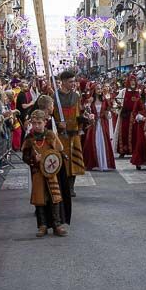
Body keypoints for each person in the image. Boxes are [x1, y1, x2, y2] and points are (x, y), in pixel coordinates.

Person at [20, 109, 68, 237]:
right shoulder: (29, 138)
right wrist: (33, 159)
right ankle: (42, 225)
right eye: (34, 123)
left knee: (55, 197)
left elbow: (59, 151)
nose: (36, 126)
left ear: (45, 122)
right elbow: (24, 157)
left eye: (39, 123)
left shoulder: (50, 135)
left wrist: (55, 157)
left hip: (51, 173)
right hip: (37, 172)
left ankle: (57, 225)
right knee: (39, 198)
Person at [53, 69, 85, 204]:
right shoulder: (54, 97)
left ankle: (71, 187)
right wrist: (57, 124)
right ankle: (62, 187)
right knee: (62, 162)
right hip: (61, 135)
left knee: (74, 162)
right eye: (71, 82)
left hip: (74, 133)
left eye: (74, 81)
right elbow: (49, 116)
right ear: (64, 82)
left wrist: (86, 119)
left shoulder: (76, 96)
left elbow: (79, 113)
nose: (73, 84)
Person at [84, 86, 116, 171]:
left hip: (102, 123)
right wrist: (89, 110)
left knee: (104, 142)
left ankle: (104, 163)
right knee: (92, 141)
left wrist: (107, 113)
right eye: (98, 89)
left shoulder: (105, 101)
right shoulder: (90, 101)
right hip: (94, 124)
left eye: (100, 89)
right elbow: (86, 112)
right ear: (94, 90)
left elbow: (108, 112)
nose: (100, 90)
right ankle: (94, 163)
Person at [130, 83, 146, 169]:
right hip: (142, 124)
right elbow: (134, 112)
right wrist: (141, 117)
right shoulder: (139, 100)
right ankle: (139, 162)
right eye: (145, 88)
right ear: (143, 90)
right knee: (141, 142)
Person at [117, 75, 141, 156]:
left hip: (136, 116)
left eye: (134, 80)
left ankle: (135, 150)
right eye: (131, 80)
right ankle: (123, 151)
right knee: (124, 132)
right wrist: (119, 107)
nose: (132, 82)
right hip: (125, 115)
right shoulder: (123, 92)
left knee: (135, 133)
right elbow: (116, 102)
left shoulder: (139, 91)